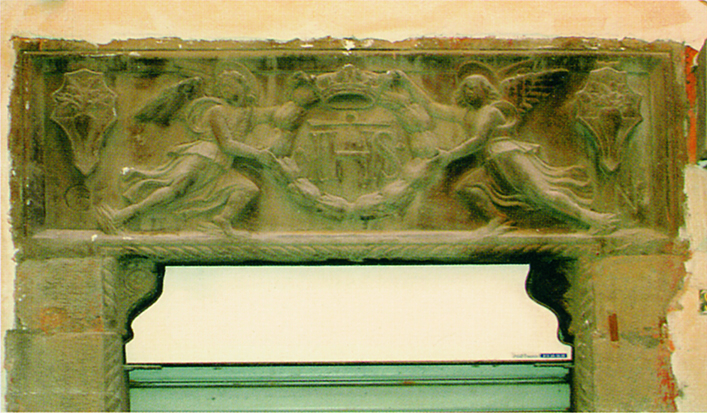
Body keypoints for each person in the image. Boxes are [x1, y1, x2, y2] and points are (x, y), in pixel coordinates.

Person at [384, 70, 618, 233]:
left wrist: (449, 155)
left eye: (473, 87)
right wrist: (406, 82)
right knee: (466, 188)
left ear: (486, 90)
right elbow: (431, 107)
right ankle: (502, 222)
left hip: (507, 154)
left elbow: (478, 141)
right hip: (494, 162)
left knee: (541, 193)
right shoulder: (468, 114)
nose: (468, 92)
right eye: (465, 88)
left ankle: (591, 218)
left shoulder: (491, 112)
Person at [97, 70, 273, 236]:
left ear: (242, 87)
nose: (225, 89)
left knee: (247, 188)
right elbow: (226, 143)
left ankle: (221, 220)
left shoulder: (247, 114)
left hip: (220, 166)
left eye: (230, 85)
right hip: (203, 155)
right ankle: (123, 215)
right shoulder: (216, 110)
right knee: (175, 189)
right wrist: (256, 153)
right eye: (222, 86)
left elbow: (273, 115)